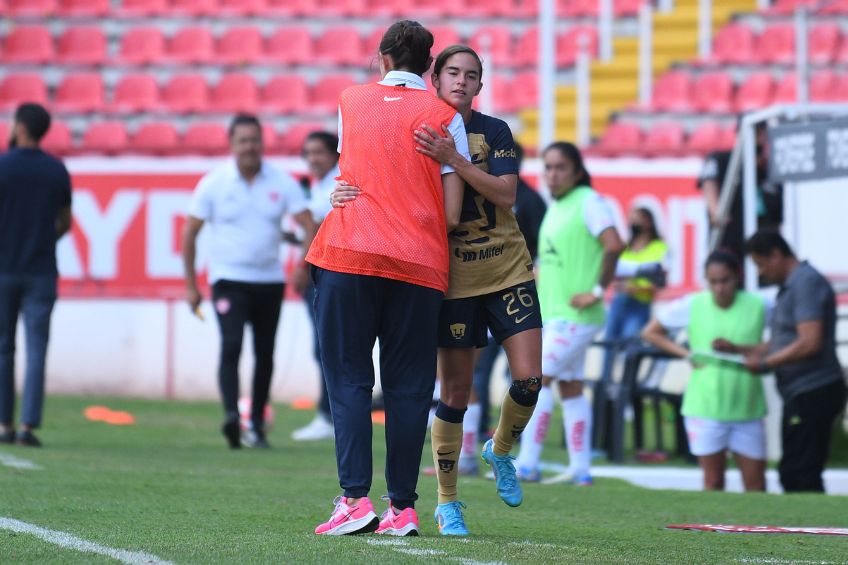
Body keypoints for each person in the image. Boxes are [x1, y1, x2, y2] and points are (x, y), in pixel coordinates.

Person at [333, 45, 544, 536]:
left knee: (530, 378)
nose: (462, 82)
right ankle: (448, 502)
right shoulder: (418, 125)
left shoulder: (493, 131)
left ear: (480, 85)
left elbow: (507, 194)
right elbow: (379, 181)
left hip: (507, 267)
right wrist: (342, 194)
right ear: (434, 77)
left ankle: (501, 450)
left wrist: (455, 159)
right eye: (453, 72)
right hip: (451, 278)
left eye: (472, 75)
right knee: (454, 392)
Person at [307, 20, 468, 537]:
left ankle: (355, 500)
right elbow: (450, 216)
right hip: (419, 263)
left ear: (382, 58)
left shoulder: (350, 101)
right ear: (429, 65)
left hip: (349, 253)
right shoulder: (446, 116)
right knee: (409, 388)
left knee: (349, 379)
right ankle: (401, 508)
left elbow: (349, 175)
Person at [182, 114, 317, 450]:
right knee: (231, 346)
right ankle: (232, 415)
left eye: (254, 140)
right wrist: (190, 284)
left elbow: (308, 226)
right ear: (232, 144)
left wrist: (302, 267)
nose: (250, 147)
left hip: (269, 281)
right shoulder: (214, 183)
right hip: (228, 279)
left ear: (262, 143)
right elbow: (190, 233)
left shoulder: (280, 182)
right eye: (243, 140)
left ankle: (255, 424)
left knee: (264, 353)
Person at [513, 141, 625, 485]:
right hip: (558, 313)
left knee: (536, 377)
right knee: (571, 387)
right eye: (547, 167)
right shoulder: (557, 206)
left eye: (560, 167)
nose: (552, 174)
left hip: (576, 318)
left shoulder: (589, 202)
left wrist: (595, 291)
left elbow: (614, 244)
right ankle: (581, 468)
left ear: (577, 171)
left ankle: (527, 462)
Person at [720, 230, 846, 493]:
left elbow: (809, 341)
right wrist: (739, 349)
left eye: (761, 264)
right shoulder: (794, 284)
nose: (762, 273)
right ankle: (809, 529)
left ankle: (812, 530)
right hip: (802, 391)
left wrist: (766, 365)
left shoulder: (805, 284)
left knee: (799, 472)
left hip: (812, 389)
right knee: (796, 469)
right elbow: (783, 342)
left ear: (776, 255)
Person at [641, 250, 767, 491]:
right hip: (706, 406)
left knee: (756, 486)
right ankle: (713, 527)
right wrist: (687, 354)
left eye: (725, 280)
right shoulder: (694, 304)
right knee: (712, 482)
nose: (719, 288)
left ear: (737, 277)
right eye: (713, 282)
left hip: (747, 406)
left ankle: (755, 529)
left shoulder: (759, 304)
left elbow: (780, 340)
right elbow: (650, 332)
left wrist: (741, 349)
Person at [0, 103, 73, 448]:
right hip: (41, 270)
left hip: (3, 269)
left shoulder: (3, 165)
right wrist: (45, 239)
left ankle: (3, 424)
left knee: (3, 349)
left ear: (21, 128)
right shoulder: (57, 170)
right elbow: (65, 222)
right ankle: (28, 426)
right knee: (37, 348)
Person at [470, 143, 547, 441]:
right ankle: (478, 432)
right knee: (479, 370)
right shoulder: (481, 191)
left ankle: (513, 435)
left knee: (520, 374)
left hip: (515, 290)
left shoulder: (529, 200)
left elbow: (538, 251)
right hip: (483, 288)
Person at [291, 131, 339, 442]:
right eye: (308, 153)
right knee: (324, 347)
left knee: (327, 346)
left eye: (319, 152)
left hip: (326, 270)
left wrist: (302, 264)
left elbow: (323, 227)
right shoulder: (318, 185)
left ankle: (328, 414)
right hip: (320, 268)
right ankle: (329, 413)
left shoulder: (335, 183)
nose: (313, 159)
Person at [600, 207, 668, 380]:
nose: (632, 223)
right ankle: (605, 390)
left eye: (637, 219)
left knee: (629, 349)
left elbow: (660, 282)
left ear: (649, 222)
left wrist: (635, 289)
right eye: (631, 219)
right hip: (619, 302)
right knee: (608, 348)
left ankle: (626, 392)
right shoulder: (626, 247)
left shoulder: (659, 247)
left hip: (639, 304)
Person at [697, 122, 782, 259]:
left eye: (762, 134)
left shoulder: (770, 172)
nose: (759, 140)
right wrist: (716, 211)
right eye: (756, 134)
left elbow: (777, 217)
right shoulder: (722, 160)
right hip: (729, 241)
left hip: (762, 248)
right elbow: (709, 182)